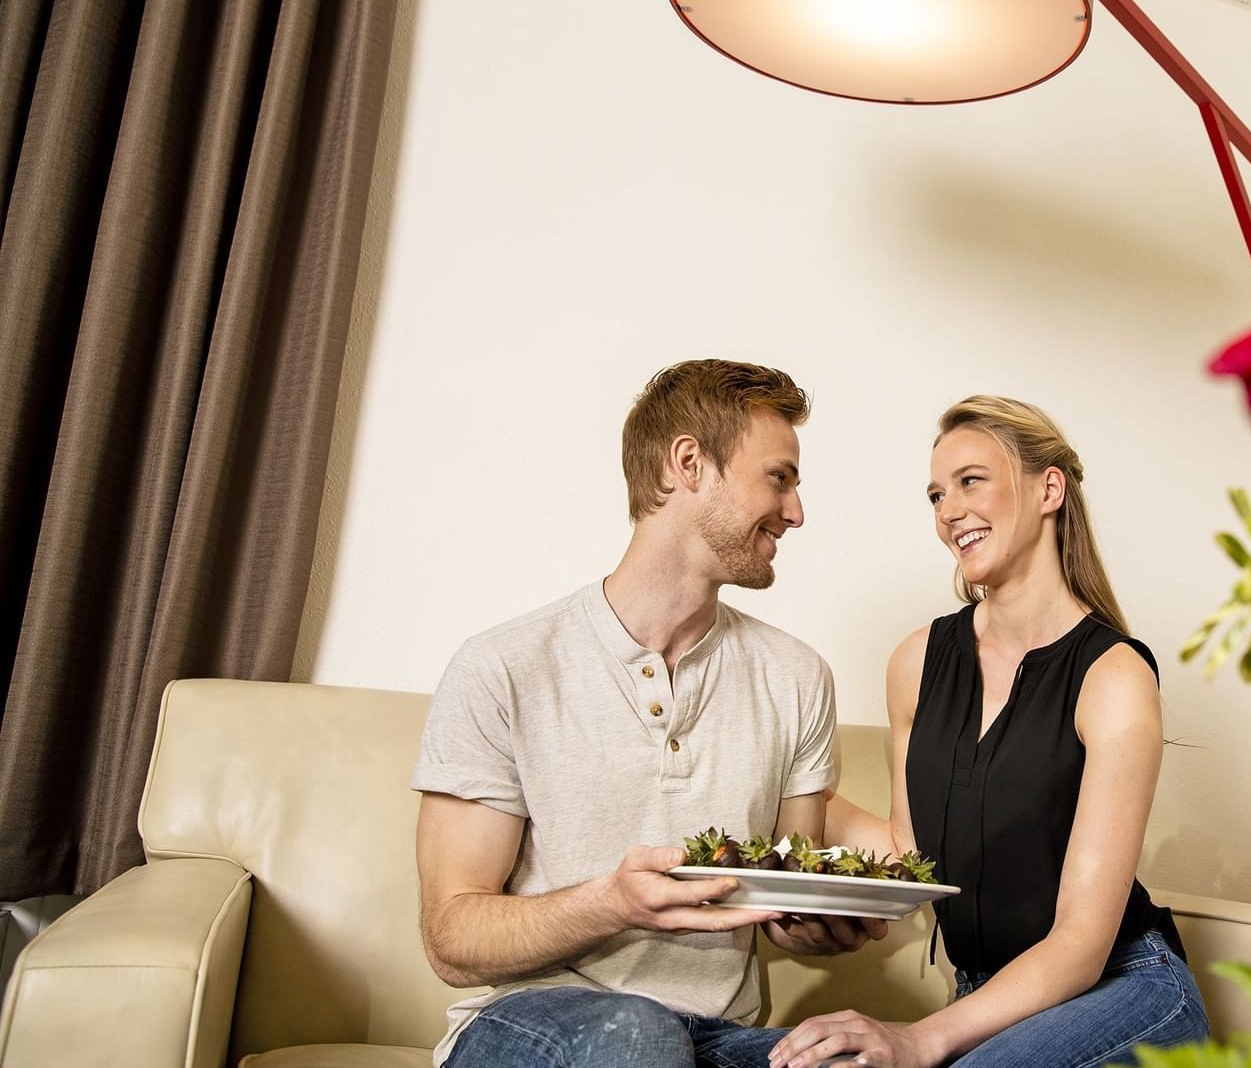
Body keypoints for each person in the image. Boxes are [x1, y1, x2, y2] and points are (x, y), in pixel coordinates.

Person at [410, 359, 887, 1068]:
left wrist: (813, 924)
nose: (795, 511)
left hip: (715, 1036)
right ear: (690, 463)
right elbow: (452, 938)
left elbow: (780, 888)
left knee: (857, 1060)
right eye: (778, 477)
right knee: (638, 1036)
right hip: (529, 1024)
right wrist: (611, 903)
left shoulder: (796, 678)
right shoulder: (503, 668)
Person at [769, 395, 1209, 1067]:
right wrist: (788, 793)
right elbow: (911, 855)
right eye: (937, 494)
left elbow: (1082, 942)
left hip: (1126, 989)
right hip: (995, 1004)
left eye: (970, 481)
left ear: (1048, 489)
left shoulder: (1113, 676)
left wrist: (917, 1039)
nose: (948, 511)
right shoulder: (917, 663)